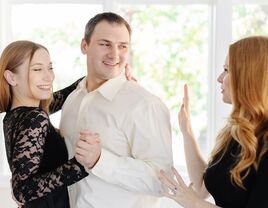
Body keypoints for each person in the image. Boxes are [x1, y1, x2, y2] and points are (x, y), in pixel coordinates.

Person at [59, 12, 173, 208]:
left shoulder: (144, 104)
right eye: (105, 44)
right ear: (84, 46)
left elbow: (163, 182)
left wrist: (100, 160)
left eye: (123, 46)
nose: (115, 54)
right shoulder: (72, 100)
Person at [159, 36, 268, 208]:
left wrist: (194, 203)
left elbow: (198, 199)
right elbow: (203, 187)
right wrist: (187, 131)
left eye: (227, 70)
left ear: (248, 77)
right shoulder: (238, 131)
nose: (219, 78)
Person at [0, 40, 102, 208]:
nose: (49, 77)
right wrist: (82, 164)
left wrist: (110, 74)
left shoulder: (15, 115)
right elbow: (22, 190)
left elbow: (68, 92)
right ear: (11, 77)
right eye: (38, 69)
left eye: (50, 68)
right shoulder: (35, 117)